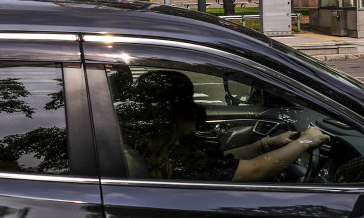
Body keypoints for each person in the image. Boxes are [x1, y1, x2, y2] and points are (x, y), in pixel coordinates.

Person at [115, 70, 329, 184]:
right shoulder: (184, 161)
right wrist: (306, 141)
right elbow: (256, 170)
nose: (198, 111)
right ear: (177, 114)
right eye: (191, 105)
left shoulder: (155, 147)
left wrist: (267, 143)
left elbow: (221, 160)